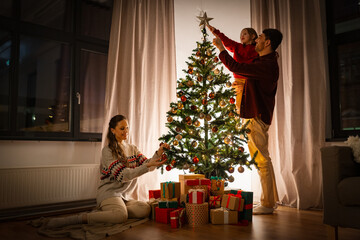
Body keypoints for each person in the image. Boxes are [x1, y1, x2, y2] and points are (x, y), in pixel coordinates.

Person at [47, 114, 169, 228]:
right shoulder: (107, 151)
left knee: (145, 209)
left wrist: (159, 152)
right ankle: (77, 218)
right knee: (120, 216)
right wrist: (147, 166)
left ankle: (114, 211)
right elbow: (123, 176)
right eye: (122, 128)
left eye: (127, 128)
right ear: (113, 130)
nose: (126, 131)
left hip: (124, 196)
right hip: (109, 193)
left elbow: (150, 165)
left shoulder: (133, 148)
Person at [211, 28, 283, 215]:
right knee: (262, 158)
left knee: (261, 159)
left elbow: (237, 68)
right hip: (255, 114)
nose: (256, 41)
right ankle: (271, 201)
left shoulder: (267, 65)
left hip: (256, 117)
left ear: (267, 43)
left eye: (259, 38)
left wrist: (220, 48)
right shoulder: (263, 61)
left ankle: (268, 204)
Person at [207, 24, 258, 114]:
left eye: (245, 33)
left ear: (253, 36)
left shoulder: (257, 49)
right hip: (238, 81)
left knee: (248, 109)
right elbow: (226, 40)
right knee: (238, 107)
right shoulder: (237, 47)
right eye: (241, 34)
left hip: (250, 82)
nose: (242, 36)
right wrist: (215, 31)